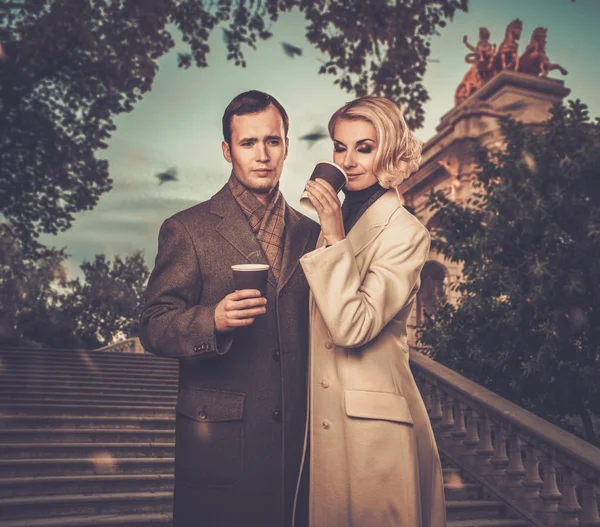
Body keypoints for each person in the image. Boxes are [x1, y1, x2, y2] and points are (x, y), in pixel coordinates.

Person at [139, 90, 320, 527]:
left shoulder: (314, 235)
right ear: (227, 151)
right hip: (219, 442)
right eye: (247, 143)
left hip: (302, 446)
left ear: (286, 146)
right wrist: (212, 320)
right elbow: (153, 326)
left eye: (272, 141)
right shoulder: (188, 229)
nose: (262, 155)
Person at [297, 95, 447, 527]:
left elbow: (352, 326)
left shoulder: (406, 232)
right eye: (339, 147)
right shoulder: (328, 223)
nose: (349, 160)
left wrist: (333, 235)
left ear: (391, 150)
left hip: (372, 428)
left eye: (364, 147)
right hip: (313, 421)